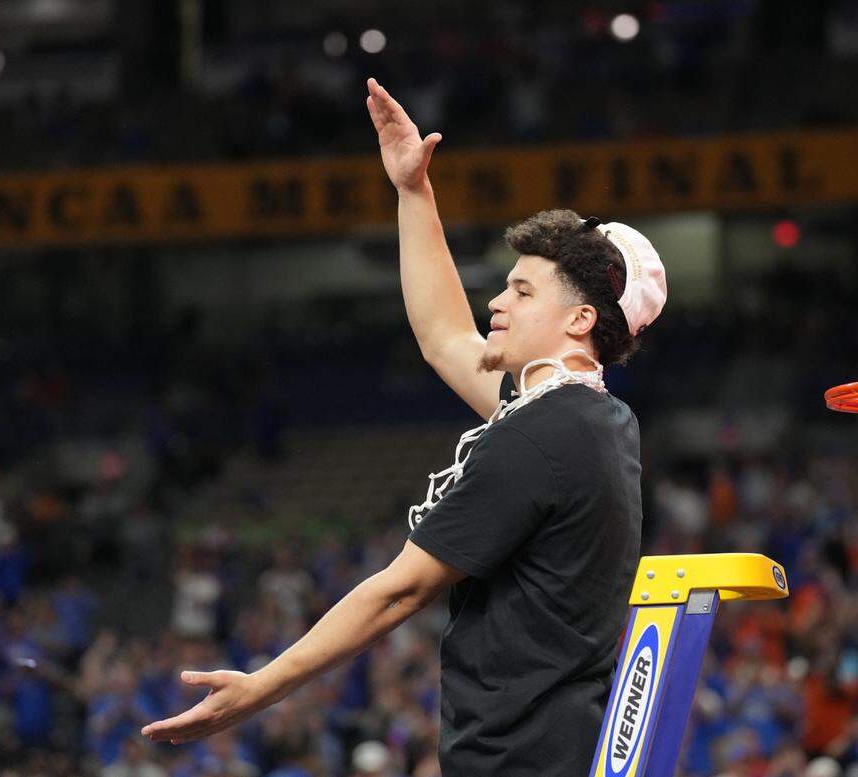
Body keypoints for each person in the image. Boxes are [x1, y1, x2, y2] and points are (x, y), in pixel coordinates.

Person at [142, 78, 667, 777]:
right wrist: (413, 192)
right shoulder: (591, 420)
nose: (496, 300)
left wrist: (258, 689)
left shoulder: (545, 435)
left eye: (521, 289)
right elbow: (444, 335)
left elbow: (397, 590)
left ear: (580, 320)